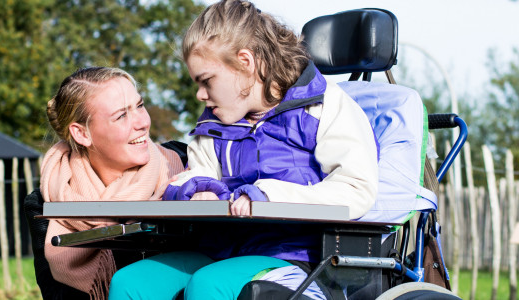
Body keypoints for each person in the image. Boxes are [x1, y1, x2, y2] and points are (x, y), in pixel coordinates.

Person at [109, 1, 379, 299]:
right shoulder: (212, 125)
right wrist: (198, 190)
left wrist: (269, 195)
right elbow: (191, 176)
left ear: (245, 62)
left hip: (299, 258)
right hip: (220, 250)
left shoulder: (327, 106)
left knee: (210, 284)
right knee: (131, 283)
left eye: (206, 81)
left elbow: (356, 190)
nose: (200, 95)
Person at [40, 66, 186, 299]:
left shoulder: (186, 168)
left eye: (139, 105)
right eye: (121, 115)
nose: (142, 123)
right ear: (82, 134)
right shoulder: (47, 200)